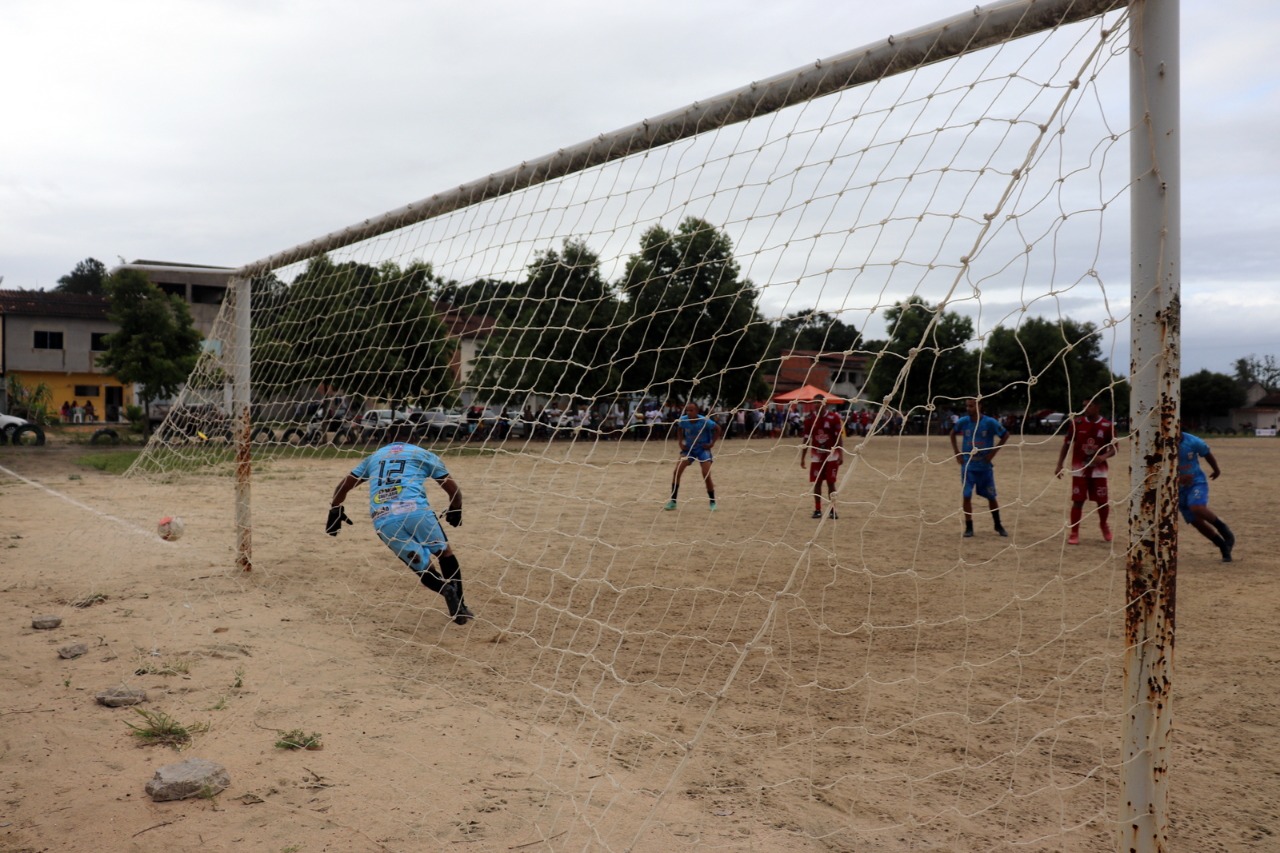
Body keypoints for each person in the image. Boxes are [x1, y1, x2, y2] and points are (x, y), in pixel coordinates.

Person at [326, 433, 474, 624]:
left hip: (383, 519)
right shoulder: (421, 453)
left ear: (387, 439)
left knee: (423, 569)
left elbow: (342, 487)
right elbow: (453, 489)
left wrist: (335, 509)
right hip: (416, 512)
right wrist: (456, 509)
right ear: (413, 439)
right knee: (444, 553)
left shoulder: (375, 457)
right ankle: (460, 609)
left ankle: (445, 589)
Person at [1055, 397, 1117, 544]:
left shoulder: (1107, 425)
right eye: (1083, 406)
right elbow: (1066, 445)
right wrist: (1059, 465)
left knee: (1102, 501)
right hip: (1079, 468)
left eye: (1088, 406)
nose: (1084, 409)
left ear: (1097, 407)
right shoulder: (1077, 423)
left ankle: (1104, 525)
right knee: (1078, 500)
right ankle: (1074, 532)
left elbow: (1114, 448)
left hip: (1099, 471)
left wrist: (1103, 457)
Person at [950, 397, 1010, 538]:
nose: (968, 409)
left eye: (971, 406)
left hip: (984, 466)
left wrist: (993, 453)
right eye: (967, 406)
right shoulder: (964, 422)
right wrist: (957, 452)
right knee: (966, 495)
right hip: (968, 465)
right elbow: (952, 433)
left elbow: (1005, 434)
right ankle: (969, 527)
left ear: (979, 406)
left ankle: (998, 524)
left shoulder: (989, 422)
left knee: (991, 496)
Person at [1177, 430, 1236, 562]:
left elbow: (1206, 453)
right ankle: (1222, 546)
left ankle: (1225, 531)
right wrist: (1178, 478)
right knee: (1196, 522)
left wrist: (1216, 469)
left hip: (1196, 482)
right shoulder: (1162, 445)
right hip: (1176, 488)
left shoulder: (1192, 441)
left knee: (1197, 507)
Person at [665, 402, 720, 511]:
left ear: (697, 411)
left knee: (706, 474)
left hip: (702, 449)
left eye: (691, 410)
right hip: (689, 449)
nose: (689, 412)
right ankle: (673, 501)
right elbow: (679, 429)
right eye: (687, 410)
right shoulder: (683, 420)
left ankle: (712, 502)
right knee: (677, 472)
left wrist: (712, 443)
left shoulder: (704, 421)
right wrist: (680, 443)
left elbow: (718, 428)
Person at [800, 394, 844, 518]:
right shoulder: (809, 419)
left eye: (819, 402)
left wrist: (840, 454)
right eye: (815, 402)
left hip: (831, 455)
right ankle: (817, 510)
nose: (816, 405)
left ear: (825, 404)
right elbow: (806, 438)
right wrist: (803, 457)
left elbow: (838, 437)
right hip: (816, 456)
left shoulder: (834, 417)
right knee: (817, 483)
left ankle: (833, 510)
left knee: (831, 483)